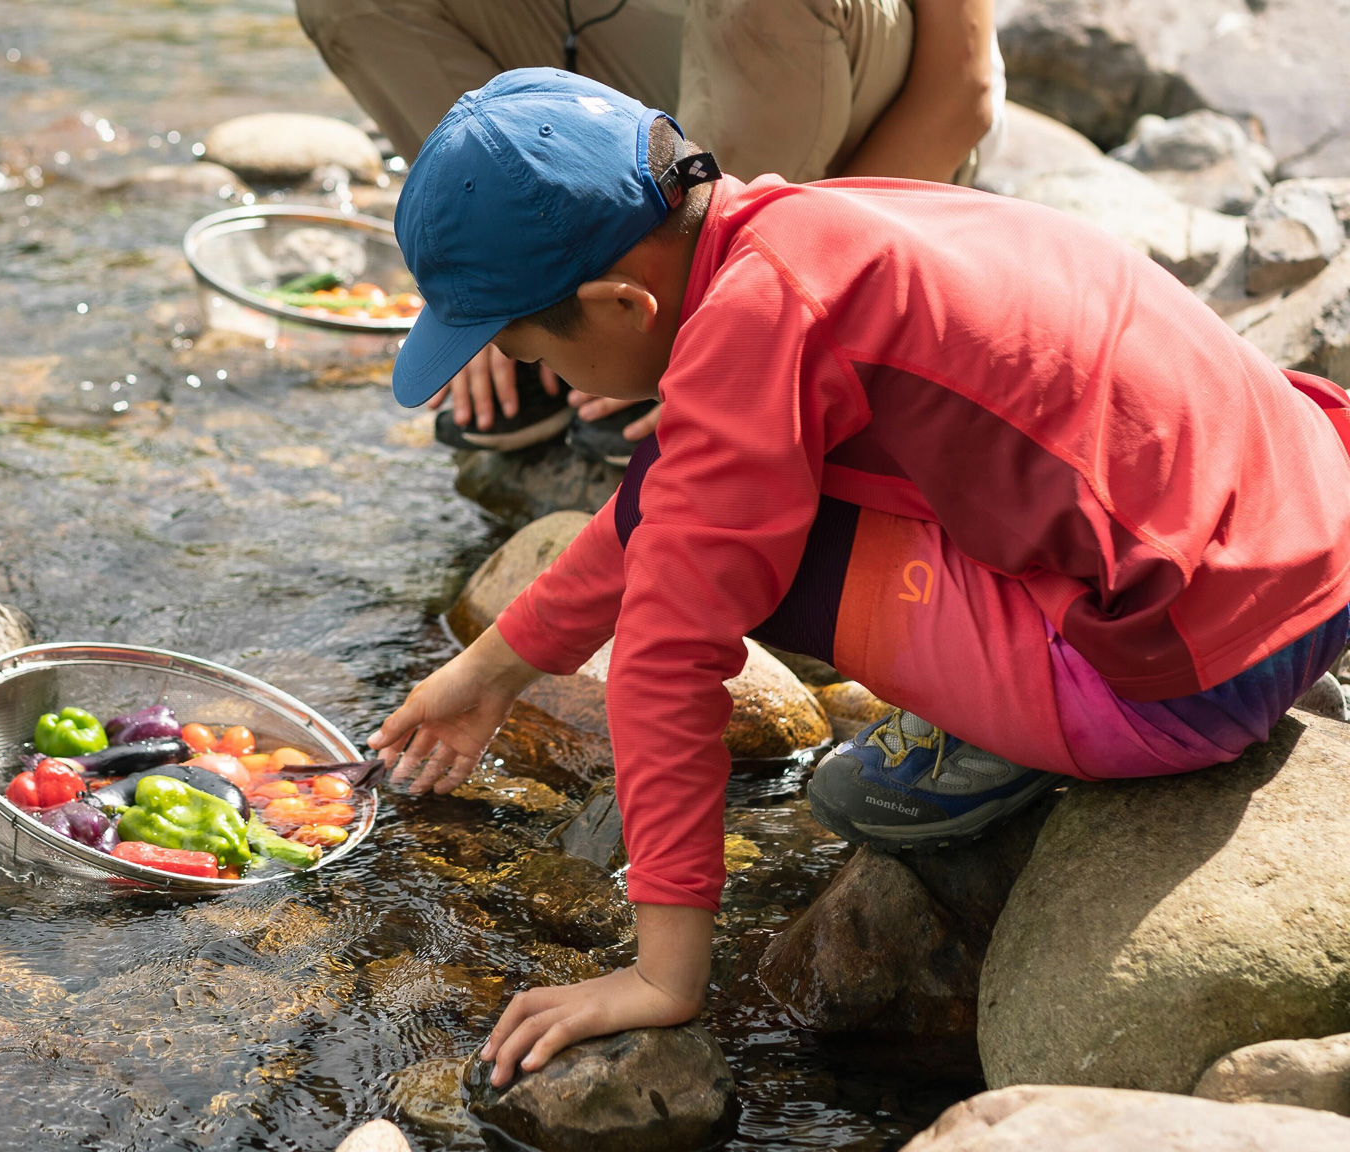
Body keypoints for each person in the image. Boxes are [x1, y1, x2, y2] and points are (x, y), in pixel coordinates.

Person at [369, 70, 1350, 1088]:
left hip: (1188, 675)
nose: (556, 387)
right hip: (1306, 528)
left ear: (622, 300)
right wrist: (485, 675)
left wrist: (661, 977)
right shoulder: (812, 226)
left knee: (754, 554)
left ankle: (997, 742)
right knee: (712, 496)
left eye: (525, 348)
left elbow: (666, 656)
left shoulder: (749, 333)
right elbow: (670, 496)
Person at [298, 0, 1004, 464]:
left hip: (853, 107)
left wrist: (801, 287)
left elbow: (962, 93)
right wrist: (480, 274)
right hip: (646, 105)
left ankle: (717, 312)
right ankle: (528, 273)